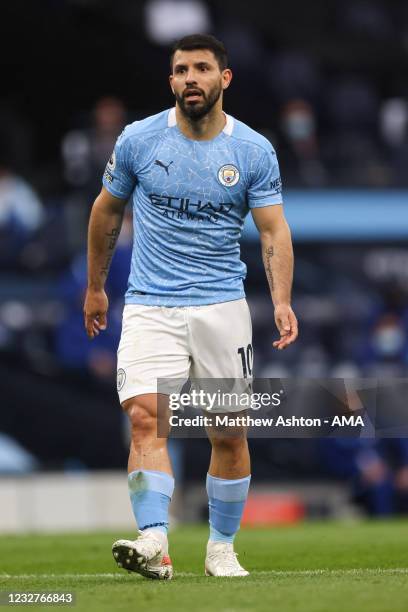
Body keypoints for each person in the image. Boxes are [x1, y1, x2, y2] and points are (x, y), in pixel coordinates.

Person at [84, 34, 298, 580]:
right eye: (181, 70)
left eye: (202, 68)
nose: (190, 79)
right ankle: (155, 540)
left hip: (222, 306)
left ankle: (221, 548)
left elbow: (272, 229)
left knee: (227, 432)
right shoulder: (138, 140)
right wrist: (96, 287)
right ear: (171, 81)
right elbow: (106, 212)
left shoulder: (251, 150)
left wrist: (281, 301)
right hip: (151, 304)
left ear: (224, 79)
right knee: (146, 419)